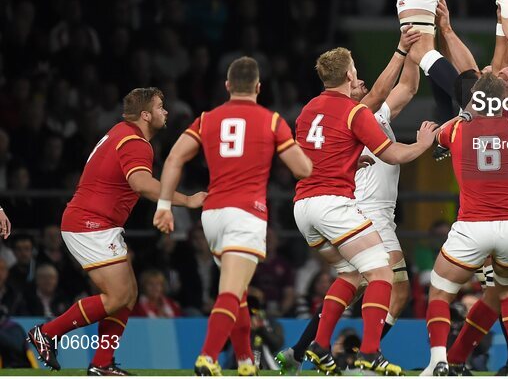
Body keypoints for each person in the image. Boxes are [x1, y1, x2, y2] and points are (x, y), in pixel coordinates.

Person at [27, 87, 205, 376]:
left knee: (128, 295)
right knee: (118, 296)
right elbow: (142, 184)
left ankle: (101, 364)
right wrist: (187, 200)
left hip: (98, 224)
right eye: (161, 107)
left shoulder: (120, 132)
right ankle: (47, 333)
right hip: (90, 223)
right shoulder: (136, 142)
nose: (166, 112)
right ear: (145, 115)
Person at [154, 57, 313, 376]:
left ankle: (244, 363)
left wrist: (164, 205)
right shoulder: (271, 121)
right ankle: (207, 357)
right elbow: (302, 169)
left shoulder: (206, 119)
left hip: (212, 215)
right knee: (229, 291)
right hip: (246, 214)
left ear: (227, 86)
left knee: (236, 292)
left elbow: (173, 158)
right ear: (258, 87)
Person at [276, 30, 422, 373]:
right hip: (354, 208)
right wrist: (424, 143)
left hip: (306, 207)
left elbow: (406, 88)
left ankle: (310, 349)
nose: (363, 83)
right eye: (357, 76)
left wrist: (418, 52)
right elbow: (394, 149)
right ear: (348, 77)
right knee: (387, 281)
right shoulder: (356, 112)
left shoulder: (310, 110)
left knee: (350, 278)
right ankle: (368, 354)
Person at [424, 69, 508, 377]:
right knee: (507, 293)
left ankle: (440, 361)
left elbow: (435, 137)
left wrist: (468, 112)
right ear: (504, 100)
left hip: (473, 226)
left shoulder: (456, 130)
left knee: (440, 293)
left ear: (476, 100)